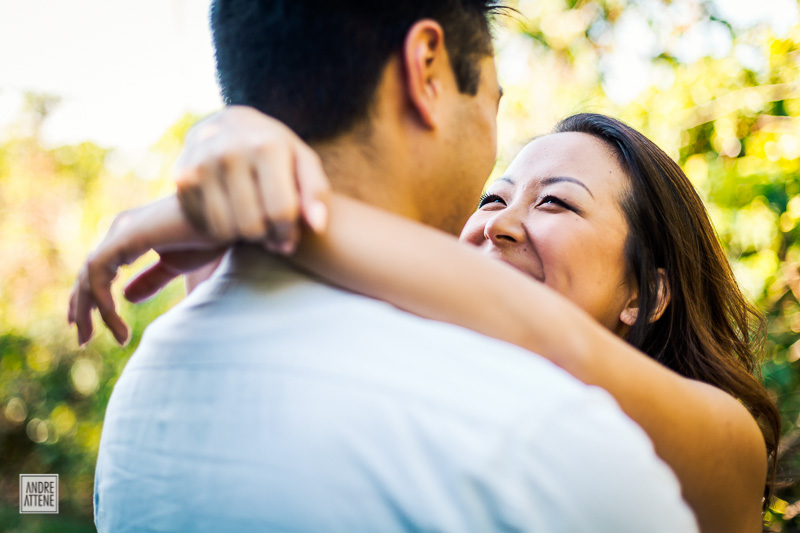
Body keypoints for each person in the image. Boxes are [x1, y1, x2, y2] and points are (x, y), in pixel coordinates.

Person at [72, 1, 702, 531]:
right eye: (491, 100)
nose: (498, 222)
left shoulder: (142, 393)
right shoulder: (541, 440)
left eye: (556, 203)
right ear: (427, 68)